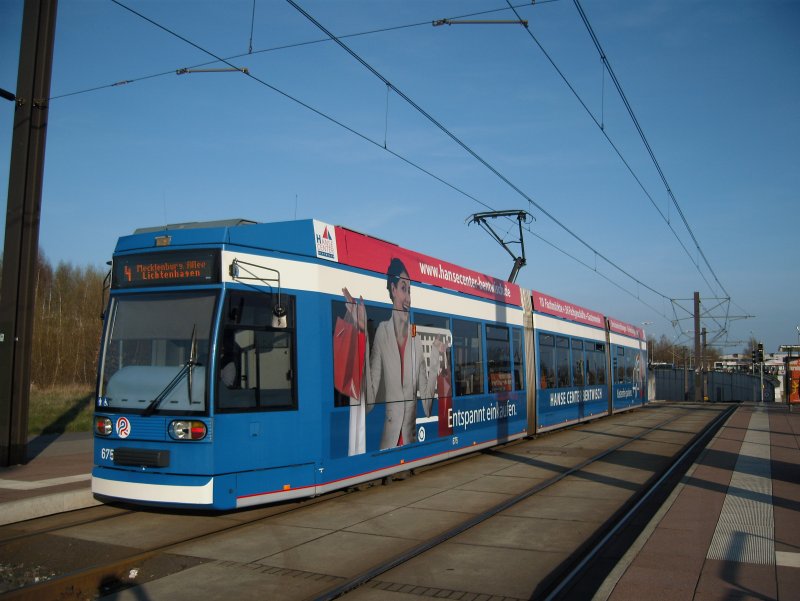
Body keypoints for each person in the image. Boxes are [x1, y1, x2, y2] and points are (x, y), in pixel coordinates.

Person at [342, 258, 443, 450]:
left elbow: (428, 406)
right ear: (393, 289)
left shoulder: (417, 341)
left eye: (410, 290)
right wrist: (362, 334)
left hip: (411, 447)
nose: (408, 298)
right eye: (404, 288)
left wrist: (436, 354)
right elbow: (369, 402)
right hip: (388, 447)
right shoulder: (382, 332)